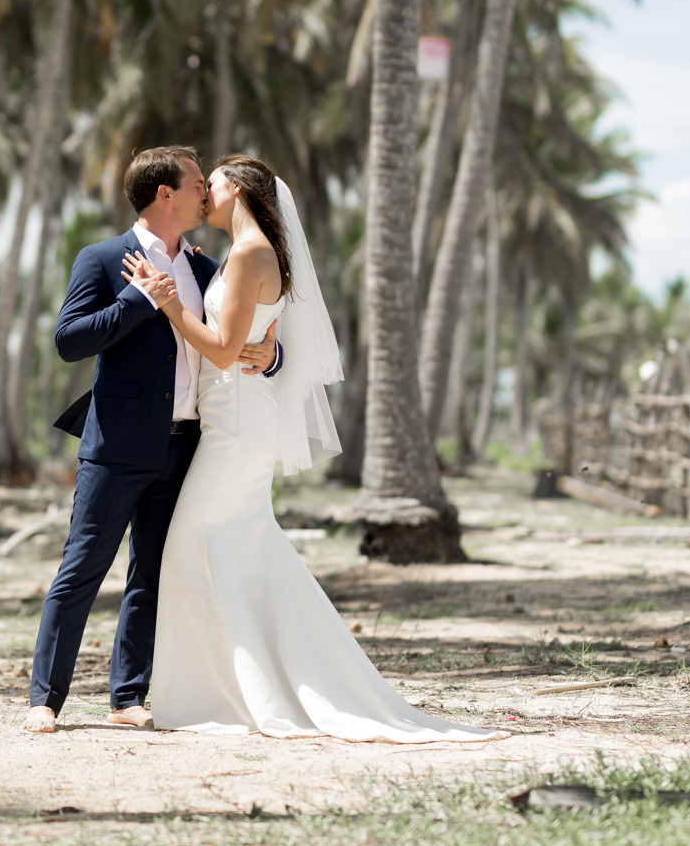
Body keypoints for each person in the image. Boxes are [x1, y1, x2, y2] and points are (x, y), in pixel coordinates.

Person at [124, 154, 507, 744]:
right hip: (231, 418)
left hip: (237, 425)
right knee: (238, 545)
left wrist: (166, 300)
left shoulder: (249, 255)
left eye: (212, 185)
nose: (204, 195)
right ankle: (243, 686)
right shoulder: (242, 254)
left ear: (240, 191)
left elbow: (223, 350)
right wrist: (266, 352)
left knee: (189, 549)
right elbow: (253, 342)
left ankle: (228, 693)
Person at [22, 145, 281, 733]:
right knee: (81, 569)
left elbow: (243, 334)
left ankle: (127, 697)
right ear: (166, 193)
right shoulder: (101, 258)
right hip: (116, 446)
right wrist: (138, 301)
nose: (205, 193)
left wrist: (271, 356)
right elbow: (69, 340)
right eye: (196, 184)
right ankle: (45, 699)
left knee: (153, 574)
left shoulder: (209, 270)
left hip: (187, 447)